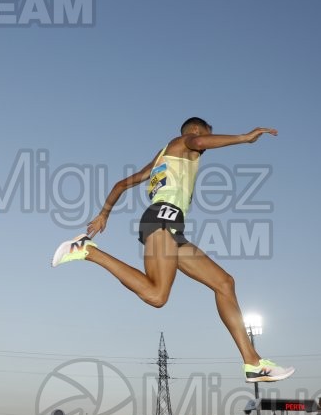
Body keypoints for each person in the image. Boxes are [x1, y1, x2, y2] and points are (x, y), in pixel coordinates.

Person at [51, 117, 294, 383]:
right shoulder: (182, 142)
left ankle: (252, 362)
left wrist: (104, 214)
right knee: (157, 296)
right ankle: (88, 251)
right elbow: (199, 141)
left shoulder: (161, 159)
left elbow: (121, 184)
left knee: (224, 283)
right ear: (197, 130)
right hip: (161, 221)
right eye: (207, 136)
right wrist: (244, 138)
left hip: (169, 225)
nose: (204, 147)